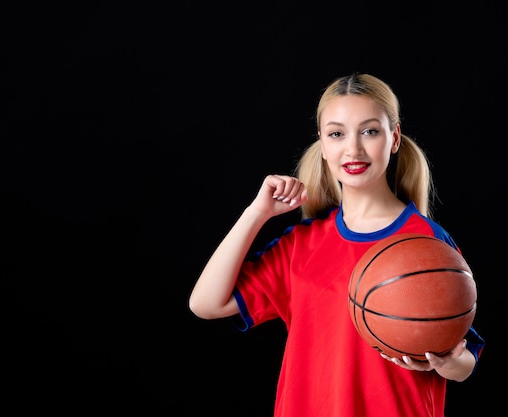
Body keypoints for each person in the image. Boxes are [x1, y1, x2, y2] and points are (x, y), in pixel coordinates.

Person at [188, 73, 485, 417]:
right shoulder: (301, 244)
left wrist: (447, 362)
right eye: (337, 134)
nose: (353, 149)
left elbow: (466, 362)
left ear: (394, 138)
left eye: (370, 131)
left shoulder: (427, 243)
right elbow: (206, 303)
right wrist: (255, 214)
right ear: (323, 144)